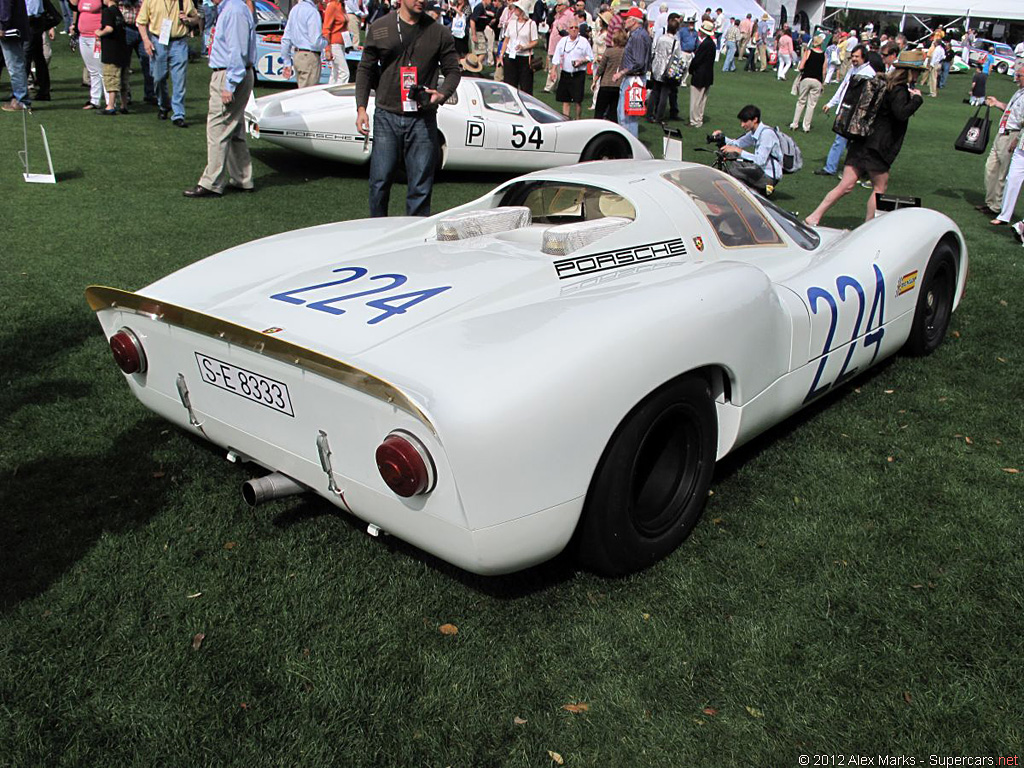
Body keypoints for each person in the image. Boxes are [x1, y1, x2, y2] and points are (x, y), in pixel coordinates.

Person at [355, 0, 460, 217]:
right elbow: (365, 69)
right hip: (386, 115)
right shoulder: (380, 27)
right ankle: (376, 233)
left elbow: (453, 71)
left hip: (423, 118)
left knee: (421, 186)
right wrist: (361, 108)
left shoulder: (439, 32)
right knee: (380, 182)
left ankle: (413, 240)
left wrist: (441, 94)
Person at [805, 49, 924, 226]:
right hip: (877, 146)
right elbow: (901, 113)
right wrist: (916, 100)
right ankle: (867, 227)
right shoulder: (898, 90)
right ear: (910, 72)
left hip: (861, 139)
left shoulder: (882, 85)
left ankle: (814, 216)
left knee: (845, 185)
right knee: (879, 188)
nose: (919, 75)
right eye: (918, 71)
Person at [182, 0, 255, 197]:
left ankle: (211, 182)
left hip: (229, 74)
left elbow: (237, 51)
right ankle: (242, 178)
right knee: (234, 128)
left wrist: (229, 85)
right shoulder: (230, 9)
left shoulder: (233, 10)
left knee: (217, 128)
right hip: (231, 73)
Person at [812, 44, 877, 177]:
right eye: (852, 56)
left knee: (843, 141)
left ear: (864, 57)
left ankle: (833, 167)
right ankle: (858, 167)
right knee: (846, 142)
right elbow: (843, 88)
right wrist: (831, 103)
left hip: (854, 114)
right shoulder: (853, 69)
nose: (853, 59)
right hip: (845, 111)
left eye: (856, 56)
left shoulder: (868, 73)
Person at [138, 0, 199, 126]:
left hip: (179, 42)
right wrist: (146, 40)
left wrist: (188, 20)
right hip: (158, 41)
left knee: (179, 79)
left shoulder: (185, 1)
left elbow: (196, 18)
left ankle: (178, 114)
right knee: (158, 77)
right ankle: (164, 104)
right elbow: (141, 22)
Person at [978, 62, 1024, 217]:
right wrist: (997, 103)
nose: (1016, 78)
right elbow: (1011, 110)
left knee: (1002, 173)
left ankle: (997, 207)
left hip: (1012, 134)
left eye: (1020, 75)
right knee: (990, 168)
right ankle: (991, 202)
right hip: (1002, 133)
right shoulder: (1018, 93)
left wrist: (1017, 139)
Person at [711, 104, 783, 195]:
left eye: (745, 121)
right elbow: (737, 143)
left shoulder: (766, 135)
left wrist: (739, 151)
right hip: (759, 169)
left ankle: (758, 189)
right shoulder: (755, 131)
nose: (742, 125)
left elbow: (760, 160)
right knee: (731, 153)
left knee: (733, 172)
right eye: (741, 121)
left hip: (769, 177)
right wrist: (721, 137)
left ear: (755, 120)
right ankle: (747, 186)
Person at [611, 6, 648, 138]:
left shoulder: (638, 36)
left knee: (627, 117)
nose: (624, 21)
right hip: (634, 79)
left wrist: (620, 73)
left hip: (634, 80)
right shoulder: (639, 34)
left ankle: (629, 148)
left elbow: (638, 62)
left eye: (627, 18)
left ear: (634, 21)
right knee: (626, 115)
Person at [552, 17, 591, 118]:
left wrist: (581, 61)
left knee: (577, 101)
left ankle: (578, 119)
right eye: (571, 27)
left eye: (576, 27)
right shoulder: (563, 41)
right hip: (566, 73)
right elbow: (556, 56)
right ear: (568, 29)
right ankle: (566, 119)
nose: (574, 29)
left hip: (578, 74)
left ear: (578, 29)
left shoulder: (584, 41)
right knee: (565, 100)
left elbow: (591, 57)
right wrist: (553, 70)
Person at [281, 0, 325, 89]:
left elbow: (286, 38)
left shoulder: (295, 9)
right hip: (310, 56)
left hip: (297, 55)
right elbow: (315, 41)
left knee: (302, 91)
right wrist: (326, 41)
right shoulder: (312, 12)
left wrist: (286, 61)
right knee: (308, 95)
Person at [119, 0, 155, 105]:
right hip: (126, 27)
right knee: (124, 64)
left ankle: (150, 93)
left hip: (143, 28)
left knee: (148, 62)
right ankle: (126, 94)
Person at [96, 0, 127, 113]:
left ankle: (110, 106)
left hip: (111, 49)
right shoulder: (118, 11)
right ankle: (124, 105)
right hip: (122, 49)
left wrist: (99, 32)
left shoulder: (107, 11)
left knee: (111, 77)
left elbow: (109, 28)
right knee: (123, 79)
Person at [500, 0, 537, 94]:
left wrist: (524, 47)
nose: (514, 9)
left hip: (524, 58)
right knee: (510, 84)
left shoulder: (531, 24)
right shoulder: (512, 23)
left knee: (526, 86)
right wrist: (501, 55)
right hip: (510, 55)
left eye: (517, 8)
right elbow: (506, 40)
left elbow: (535, 41)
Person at [646, 12, 677, 123]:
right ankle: (659, 116)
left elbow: (654, 50)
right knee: (664, 93)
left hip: (656, 67)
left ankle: (649, 114)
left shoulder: (660, 38)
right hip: (666, 70)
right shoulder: (675, 42)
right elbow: (676, 57)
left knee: (654, 91)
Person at [0, 0, 30, 110]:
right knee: (15, 65)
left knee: (15, 66)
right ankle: (18, 98)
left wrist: (2, 25)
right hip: (13, 27)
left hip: (10, 30)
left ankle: (22, 100)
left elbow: (5, 6)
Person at [790, 33, 824, 132]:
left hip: (806, 78)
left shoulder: (808, 52)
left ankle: (795, 124)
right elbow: (824, 70)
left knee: (801, 102)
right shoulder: (824, 55)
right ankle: (806, 126)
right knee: (811, 105)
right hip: (817, 80)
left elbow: (801, 66)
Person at [687, 17, 713, 127]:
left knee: (695, 100)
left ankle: (694, 120)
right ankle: (699, 119)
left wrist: (691, 69)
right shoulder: (711, 44)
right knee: (702, 100)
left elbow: (697, 60)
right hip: (708, 75)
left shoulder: (705, 44)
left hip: (699, 75)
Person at [24, 0, 52, 101]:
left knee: (26, 57)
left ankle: (20, 92)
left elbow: (32, 11)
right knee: (38, 57)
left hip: (31, 23)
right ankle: (44, 91)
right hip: (33, 22)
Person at [593, 26, 623, 122]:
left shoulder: (609, 52)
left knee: (599, 111)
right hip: (618, 85)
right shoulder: (625, 52)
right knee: (613, 112)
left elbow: (601, 68)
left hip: (606, 83)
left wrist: (595, 80)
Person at [322, 0, 349, 84]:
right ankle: (339, 93)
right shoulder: (332, 6)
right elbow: (326, 28)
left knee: (335, 73)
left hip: (342, 44)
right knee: (344, 73)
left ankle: (329, 94)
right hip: (334, 44)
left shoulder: (342, 6)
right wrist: (327, 49)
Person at [469, 0, 495, 65]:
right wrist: (474, 34)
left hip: (480, 32)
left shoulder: (483, 8)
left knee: (478, 52)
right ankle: (473, 67)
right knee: (482, 52)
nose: (490, 1)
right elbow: (472, 20)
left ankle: (474, 67)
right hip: (477, 32)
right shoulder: (479, 7)